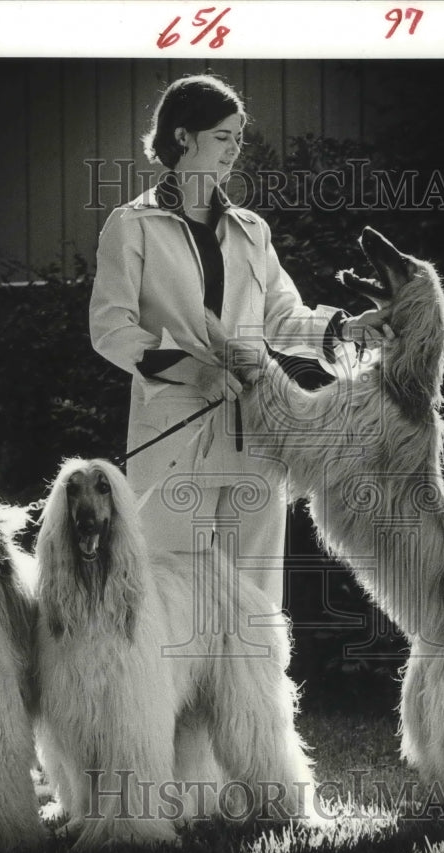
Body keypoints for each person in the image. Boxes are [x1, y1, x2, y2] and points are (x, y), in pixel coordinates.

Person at [89, 74, 386, 611]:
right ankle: (169, 696)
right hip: (174, 436)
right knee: (172, 594)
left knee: (253, 600)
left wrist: (346, 330)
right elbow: (112, 330)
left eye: (238, 138)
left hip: (256, 432)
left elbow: (280, 318)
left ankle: (251, 698)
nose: (235, 150)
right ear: (184, 137)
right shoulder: (131, 226)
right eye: (224, 136)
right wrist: (194, 371)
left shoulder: (251, 229)